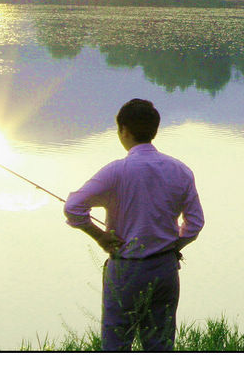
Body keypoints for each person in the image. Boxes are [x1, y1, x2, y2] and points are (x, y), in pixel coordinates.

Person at [64, 98, 205, 351]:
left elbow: (73, 208)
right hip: (164, 269)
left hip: (127, 271)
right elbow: (195, 224)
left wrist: (98, 236)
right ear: (154, 130)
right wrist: (172, 247)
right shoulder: (180, 170)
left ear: (123, 131)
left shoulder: (116, 171)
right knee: (160, 346)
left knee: (117, 346)